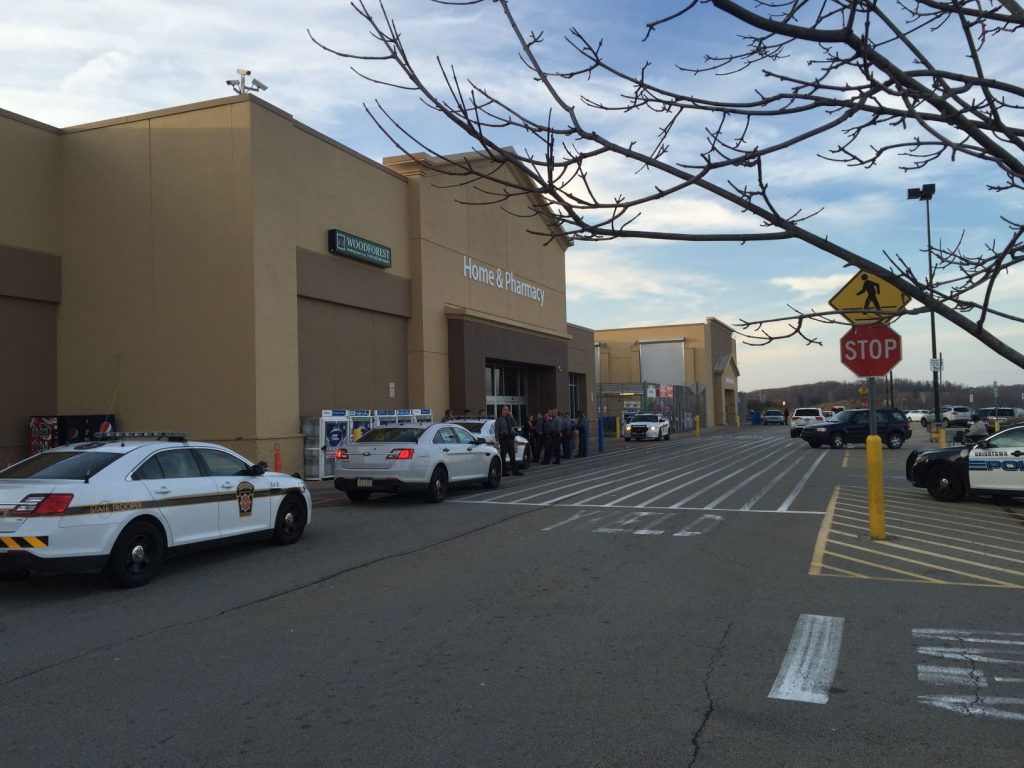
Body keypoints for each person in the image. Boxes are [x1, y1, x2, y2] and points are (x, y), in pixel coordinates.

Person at [494, 404, 522, 476]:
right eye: (505, 409)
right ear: (502, 410)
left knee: (512, 456)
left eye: (508, 409)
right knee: (503, 456)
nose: (507, 411)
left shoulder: (509, 418)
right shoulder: (499, 420)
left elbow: (515, 424)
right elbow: (496, 430)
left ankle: (515, 471)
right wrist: (497, 440)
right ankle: (504, 472)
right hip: (503, 439)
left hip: (510, 439)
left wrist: (512, 416)